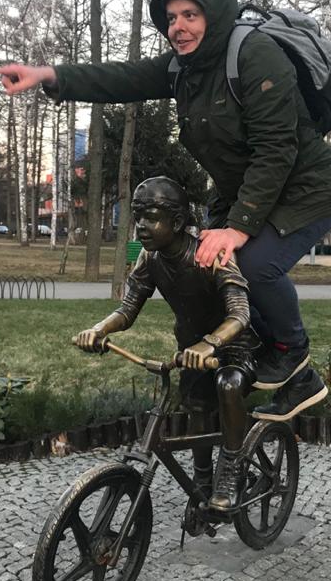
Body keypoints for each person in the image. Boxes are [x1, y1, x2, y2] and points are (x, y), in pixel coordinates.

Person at [0, 0, 331, 421]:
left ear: (215, 15)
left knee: (252, 266)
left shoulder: (256, 54)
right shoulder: (183, 69)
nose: (178, 27)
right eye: (171, 18)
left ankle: (294, 357)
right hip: (246, 194)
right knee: (205, 272)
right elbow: (124, 78)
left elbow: (276, 149)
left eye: (190, 15)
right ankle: (251, 365)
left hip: (303, 190)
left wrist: (236, 229)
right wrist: (49, 75)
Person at [75, 177, 258, 511]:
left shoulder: (210, 254)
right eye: (138, 217)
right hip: (190, 351)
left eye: (152, 217)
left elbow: (240, 314)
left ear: (176, 222)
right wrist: (99, 329)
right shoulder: (150, 258)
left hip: (233, 346)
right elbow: (128, 309)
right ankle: (203, 481)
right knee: (197, 407)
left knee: (228, 384)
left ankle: (232, 468)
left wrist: (210, 344)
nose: (141, 225)